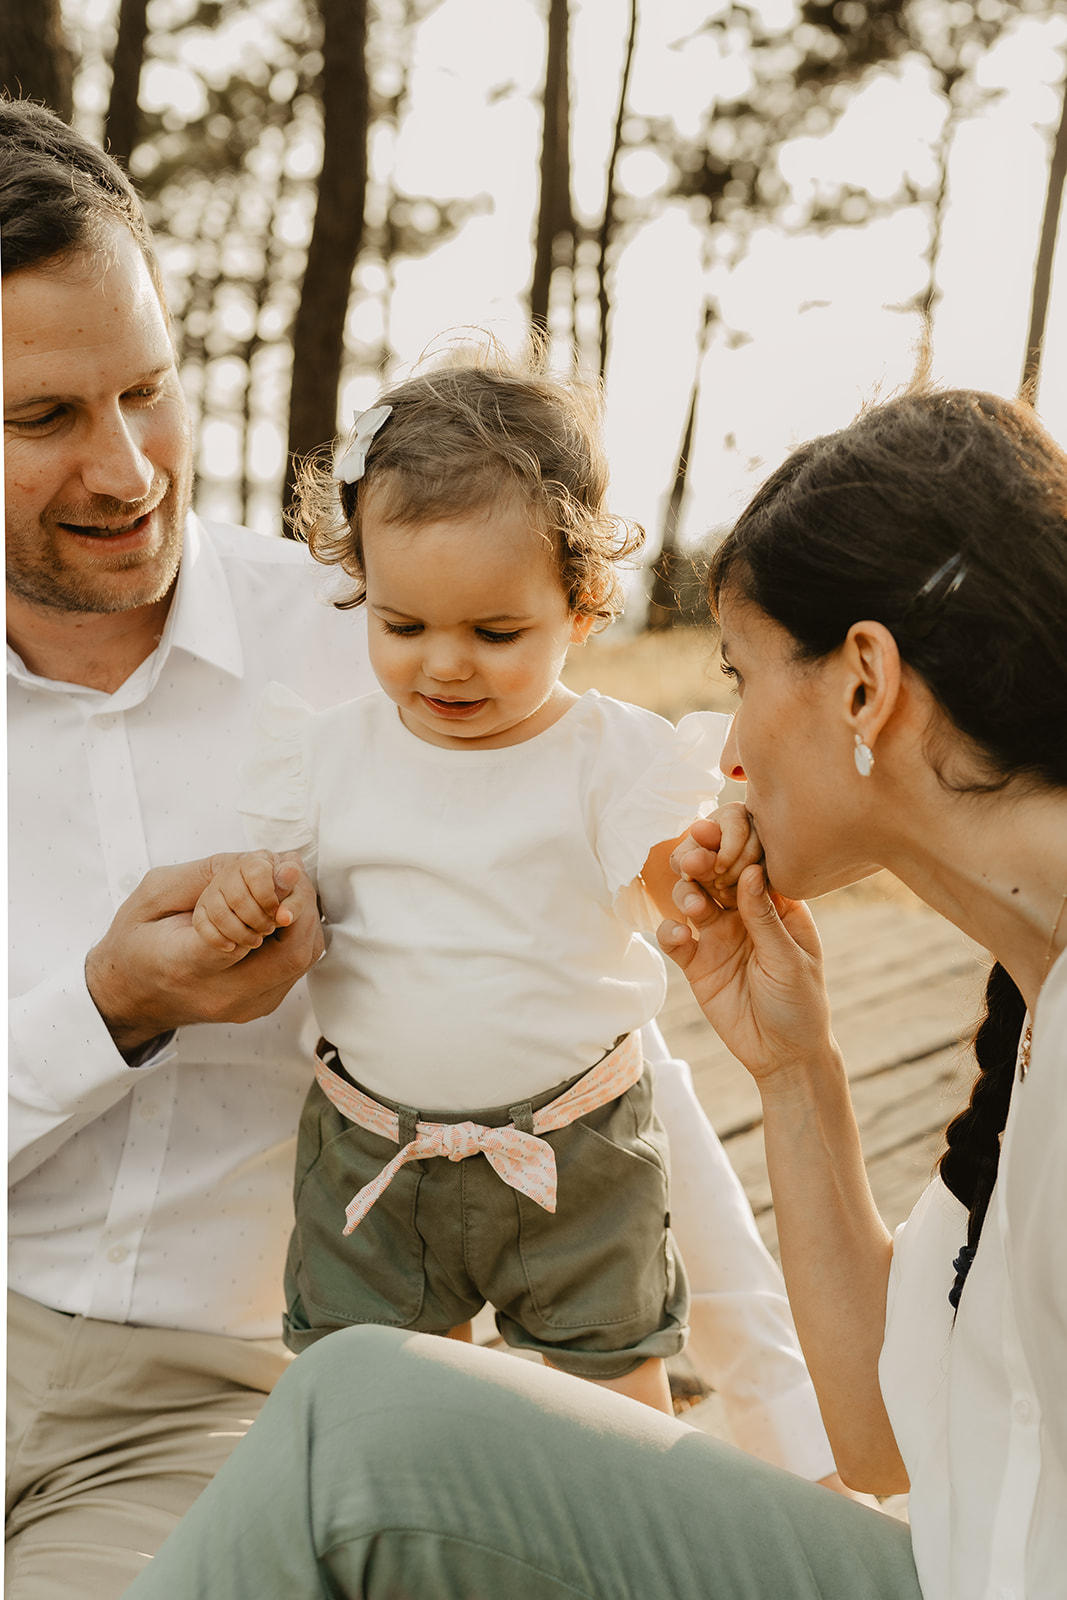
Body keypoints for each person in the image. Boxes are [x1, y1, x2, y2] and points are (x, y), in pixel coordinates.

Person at [3, 95, 840, 1599]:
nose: (128, 472)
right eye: (42, 418)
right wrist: (110, 1011)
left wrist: (789, 1446)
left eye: (152, 390)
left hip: (201, 1404)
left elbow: (585, 1047)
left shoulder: (376, 655)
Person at [124, 385, 1067, 1600]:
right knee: (348, 1410)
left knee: (345, 1423)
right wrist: (794, 1069)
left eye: (737, 674)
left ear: (861, 685)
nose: (720, 752)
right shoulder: (1028, 1009)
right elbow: (887, 1432)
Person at [192, 359, 746, 1412]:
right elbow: (275, 904)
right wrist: (239, 905)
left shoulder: (608, 760)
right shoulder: (321, 759)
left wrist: (703, 870)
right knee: (379, 1408)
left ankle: (612, 1555)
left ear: (581, 609)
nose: (444, 665)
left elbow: (676, 884)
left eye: (495, 633)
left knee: (616, 1396)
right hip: (372, 1156)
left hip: (574, 1153)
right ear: (361, 585)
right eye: (401, 626)